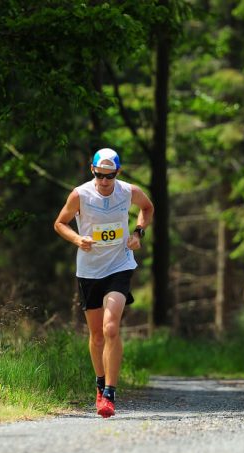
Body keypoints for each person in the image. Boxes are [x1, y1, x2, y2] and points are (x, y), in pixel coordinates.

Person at [53, 148, 154, 418]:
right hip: (89, 271)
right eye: (100, 175)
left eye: (109, 176)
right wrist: (77, 240)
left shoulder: (129, 191)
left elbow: (147, 208)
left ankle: (110, 392)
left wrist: (138, 233)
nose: (104, 181)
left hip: (120, 265)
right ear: (92, 171)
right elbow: (59, 223)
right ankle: (99, 384)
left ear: (117, 173)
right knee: (96, 335)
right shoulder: (80, 194)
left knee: (111, 328)